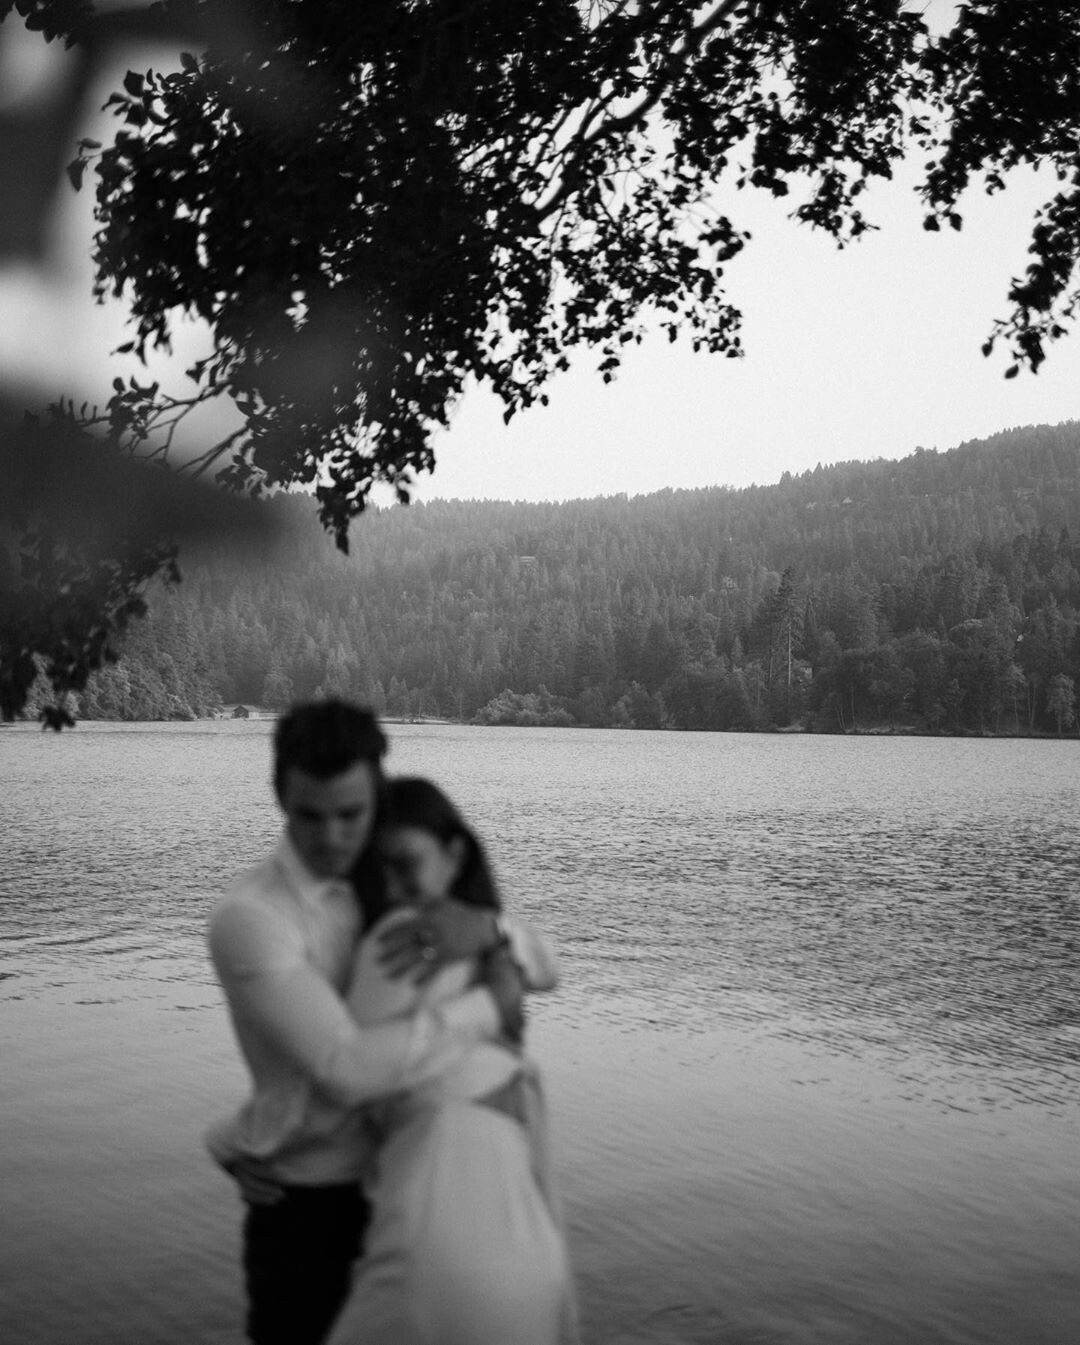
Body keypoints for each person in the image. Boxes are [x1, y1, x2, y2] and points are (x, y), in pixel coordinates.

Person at [207, 700, 559, 1345]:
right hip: (307, 1210)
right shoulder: (253, 919)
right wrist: (492, 1002)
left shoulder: (389, 877)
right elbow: (344, 1070)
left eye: (351, 814)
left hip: (398, 1178)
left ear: (376, 794)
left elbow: (545, 961)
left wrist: (491, 929)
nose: (332, 838)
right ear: (280, 795)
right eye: (310, 816)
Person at [325, 776, 578, 1345]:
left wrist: (251, 1143)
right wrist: (493, 936)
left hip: (440, 1233)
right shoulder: (484, 949)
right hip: (529, 1246)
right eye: (377, 870)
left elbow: (345, 1078)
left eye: (404, 864)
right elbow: (548, 968)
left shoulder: (404, 938)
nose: (391, 888)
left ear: (454, 855)